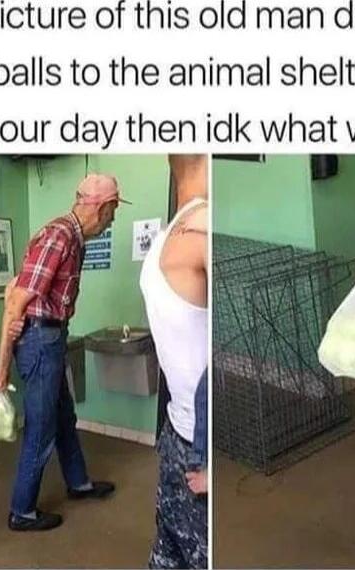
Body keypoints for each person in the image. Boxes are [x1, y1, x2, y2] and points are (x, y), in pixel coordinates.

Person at [0, 173, 126, 532]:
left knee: (63, 416)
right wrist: (2, 365)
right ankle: (22, 511)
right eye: (113, 210)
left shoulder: (72, 238)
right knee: (41, 427)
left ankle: (78, 483)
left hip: (50, 338)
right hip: (40, 341)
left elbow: (17, 291)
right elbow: (17, 299)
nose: (113, 218)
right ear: (99, 206)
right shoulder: (59, 236)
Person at [141, 155, 208, 569]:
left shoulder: (165, 239)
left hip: (176, 438)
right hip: (195, 448)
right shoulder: (200, 232)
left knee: (168, 554)